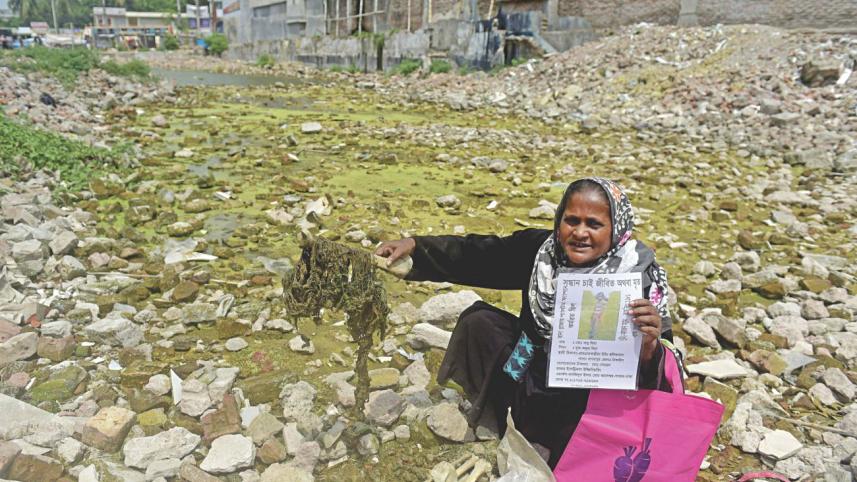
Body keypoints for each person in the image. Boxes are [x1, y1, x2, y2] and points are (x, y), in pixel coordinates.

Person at [375, 177, 675, 468]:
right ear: (559, 220)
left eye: (594, 224)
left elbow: (665, 376)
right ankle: (507, 422)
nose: (580, 233)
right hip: (534, 381)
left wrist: (649, 346)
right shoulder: (542, 253)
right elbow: (477, 255)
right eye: (572, 220)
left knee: (575, 452)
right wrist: (416, 247)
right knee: (480, 323)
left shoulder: (637, 276)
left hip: (595, 404)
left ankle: (564, 447)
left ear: (616, 229)